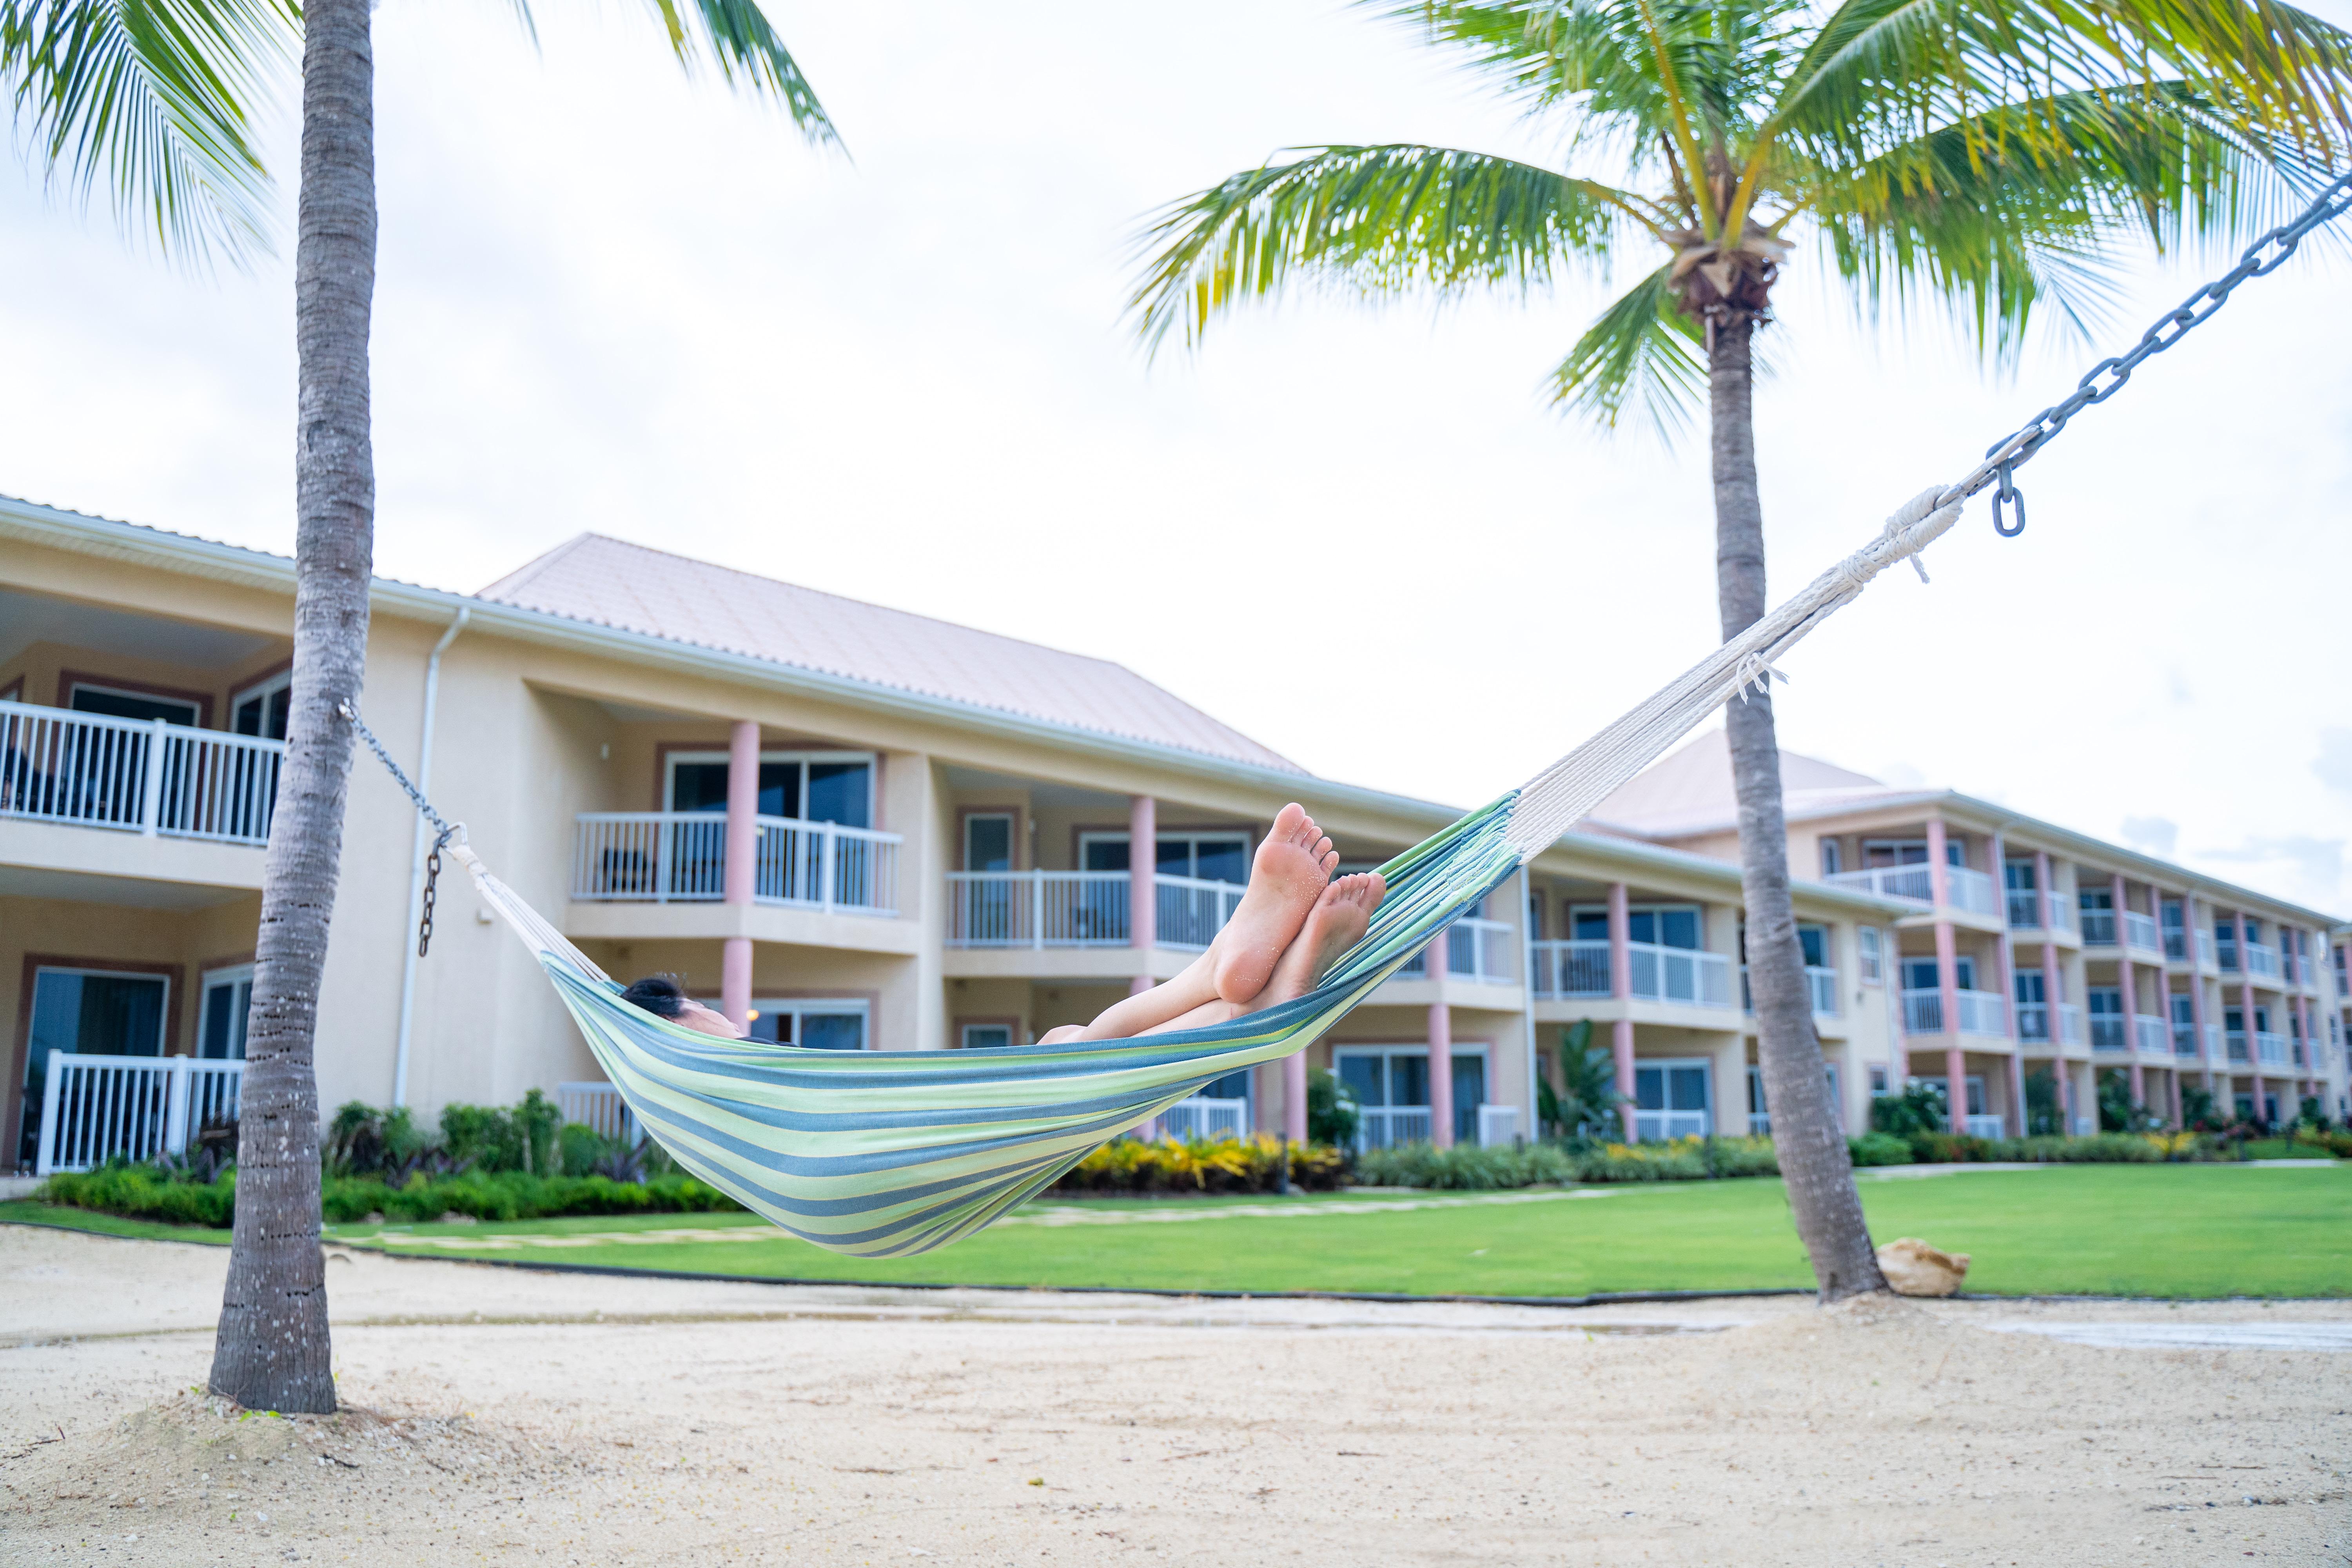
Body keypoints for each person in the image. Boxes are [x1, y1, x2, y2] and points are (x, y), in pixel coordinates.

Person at [617, 803, 1385, 1047]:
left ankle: (1251, 959)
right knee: (1080, 1050)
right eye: (703, 1014)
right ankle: (1252, 960)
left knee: (1081, 1045)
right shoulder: (731, 1070)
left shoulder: (756, 1093)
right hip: (929, 1129)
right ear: (679, 1025)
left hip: (967, 1112)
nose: (722, 1017)